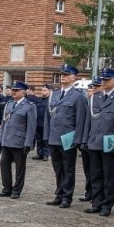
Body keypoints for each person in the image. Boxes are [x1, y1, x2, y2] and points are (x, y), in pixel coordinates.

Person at [83, 69, 114, 217]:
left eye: (107, 80)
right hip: (94, 142)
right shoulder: (95, 98)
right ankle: (96, 202)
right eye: (102, 79)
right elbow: (88, 122)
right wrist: (85, 140)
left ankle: (107, 205)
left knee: (109, 176)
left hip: (110, 144)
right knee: (95, 174)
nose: (103, 82)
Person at [43, 64, 88, 208]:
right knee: (58, 168)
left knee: (68, 168)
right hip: (54, 137)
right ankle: (59, 193)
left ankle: (67, 197)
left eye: (66, 74)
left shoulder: (78, 96)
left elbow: (81, 120)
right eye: (62, 74)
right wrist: (46, 135)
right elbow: (48, 117)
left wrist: (78, 139)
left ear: (74, 77)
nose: (63, 76)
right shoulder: (55, 94)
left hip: (68, 137)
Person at [0, 81, 37, 199]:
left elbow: (31, 127)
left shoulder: (30, 106)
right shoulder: (8, 104)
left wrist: (28, 143)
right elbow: (4, 123)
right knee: (4, 165)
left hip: (19, 142)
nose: (13, 92)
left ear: (24, 92)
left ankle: (17, 190)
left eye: (16, 90)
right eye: (13, 90)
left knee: (20, 168)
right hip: (7, 140)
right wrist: (0, 139)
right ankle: (7, 188)